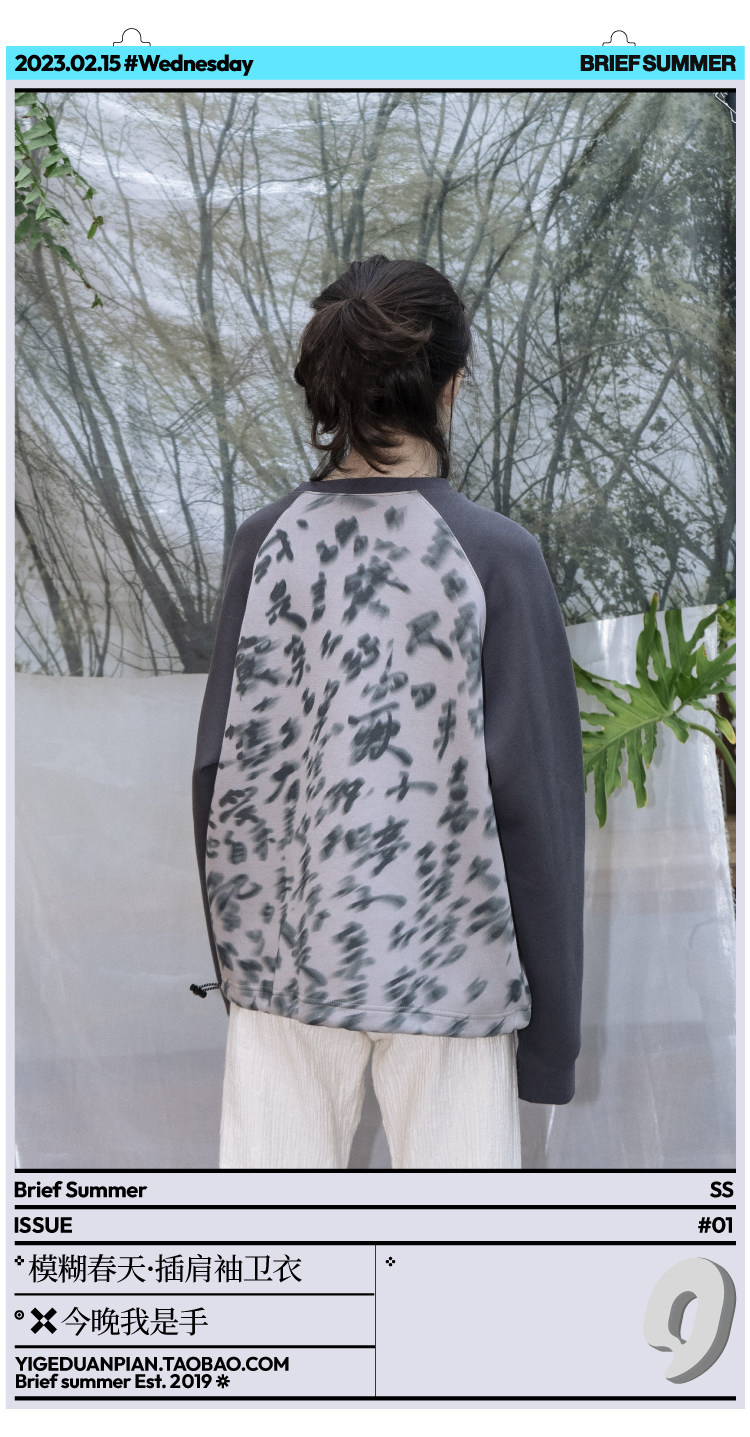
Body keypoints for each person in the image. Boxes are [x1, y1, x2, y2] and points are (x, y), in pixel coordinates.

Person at [192, 254, 585, 1170]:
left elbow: (219, 775)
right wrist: (552, 1040)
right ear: (451, 387)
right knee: (460, 1252)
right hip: (452, 978)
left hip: (285, 975)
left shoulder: (265, 543)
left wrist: (243, 964)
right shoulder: (495, 556)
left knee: (268, 1246)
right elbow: (536, 809)